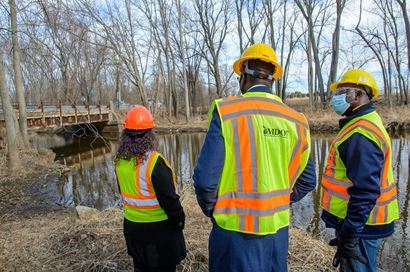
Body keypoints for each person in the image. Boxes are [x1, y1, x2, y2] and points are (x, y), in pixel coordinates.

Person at [193, 43, 317, 272]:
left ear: (243, 76)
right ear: (272, 79)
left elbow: (204, 181)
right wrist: (278, 201)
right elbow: (308, 180)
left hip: (234, 231)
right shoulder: (297, 121)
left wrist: (215, 209)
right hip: (277, 233)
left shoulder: (227, 112)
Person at [322, 69, 399, 272]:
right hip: (361, 223)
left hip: (362, 226)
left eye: (343, 92)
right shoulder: (362, 123)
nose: (337, 98)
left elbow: (365, 190)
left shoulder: (361, 132)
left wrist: (349, 235)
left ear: (358, 95)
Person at [115, 106, 186, 272]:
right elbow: (170, 200)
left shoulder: (119, 161)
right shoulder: (155, 162)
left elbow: (123, 192)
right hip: (159, 234)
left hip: (133, 230)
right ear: (150, 134)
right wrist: (180, 221)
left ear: (125, 134)